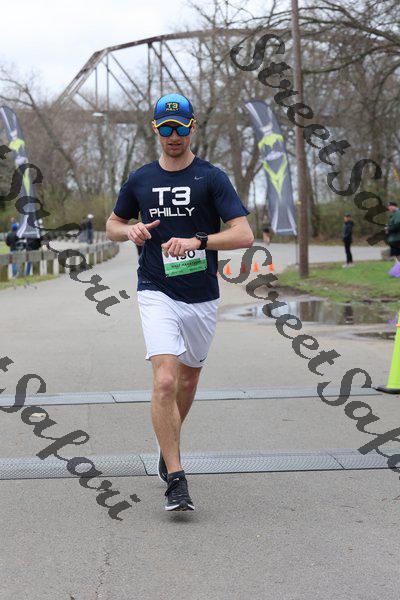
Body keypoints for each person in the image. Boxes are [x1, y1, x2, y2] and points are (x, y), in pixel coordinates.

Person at [106, 92, 254, 512]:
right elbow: (113, 224)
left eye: (181, 127)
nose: (174, 136)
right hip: (156, 289)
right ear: (155, 130)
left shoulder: (211, 178)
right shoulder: (140, 179)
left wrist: (198, 241)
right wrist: (130, 231)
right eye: (166, 128)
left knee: (187, 382)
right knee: (166, 381)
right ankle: (176, 477)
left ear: (192, 128)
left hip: (201, 296)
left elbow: (243, 234)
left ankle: (165, 444)